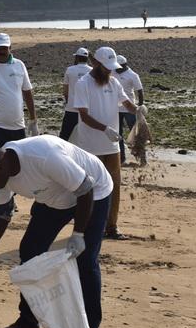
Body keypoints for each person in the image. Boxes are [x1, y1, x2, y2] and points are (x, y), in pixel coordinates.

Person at [0, 136, 114, 328]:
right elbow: (2, 213)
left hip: (93, 192)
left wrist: (78, 234)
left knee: (86, 260)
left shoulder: (44, 156)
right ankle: (28, 322)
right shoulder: (1, 175)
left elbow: (85, 188)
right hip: (53, 197)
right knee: (30, 250)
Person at [73, 46, 137, 240]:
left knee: (114, 186)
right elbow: (84, 116)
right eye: (106, 67)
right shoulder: (83, 84)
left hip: (112, 146)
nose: (110, 71)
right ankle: (90, 227)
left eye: (111, 68)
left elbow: (126, 103)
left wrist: (138, 110)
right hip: (90, 146)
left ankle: (112, 226)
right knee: (92, 188)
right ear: (96, 63)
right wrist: (105, 129)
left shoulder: (114, 82)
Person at [114, 55, 144, 165]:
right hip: (116, 109)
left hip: (129, 109)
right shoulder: (113, 72)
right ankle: (121, 159)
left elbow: (139, 91)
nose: (117, 69)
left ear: (124, 65)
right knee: (118, 134)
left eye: (119, 67)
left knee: (135, 133)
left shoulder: (133, 75)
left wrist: (140, 107)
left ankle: (142, 158)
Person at [59, 47, 92, 141]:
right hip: (87, 109)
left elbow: (65, 90)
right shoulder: (91, 71)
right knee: (87, 137)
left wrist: (68, 101)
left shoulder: (70, 70)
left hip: (71, 108)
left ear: (77, 58)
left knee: (65, 136)